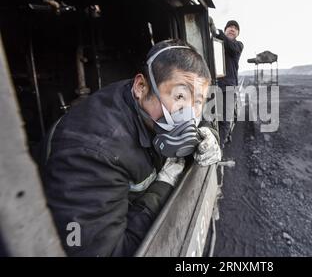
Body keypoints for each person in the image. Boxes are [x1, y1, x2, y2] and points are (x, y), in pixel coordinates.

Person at [38, 39, 222, 256]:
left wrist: (210, 133)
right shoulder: (92, 154)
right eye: (179, 96)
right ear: (141, 87)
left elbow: (200, 117)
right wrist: (164, 186)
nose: (189, 113)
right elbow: (110, 252)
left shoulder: (150, 101)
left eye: (198, 101)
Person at [211, 19, 244, 148]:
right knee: (210, 119)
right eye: (229, 27)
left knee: (224, 121)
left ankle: (218, 149)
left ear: (237, 33)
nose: (232, 29)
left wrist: (217, 32)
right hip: (213, 86)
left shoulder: (238, 45)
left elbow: (231, 47)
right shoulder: (215, 43)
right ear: (225, 30)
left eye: (235, 28)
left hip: (229, 88)